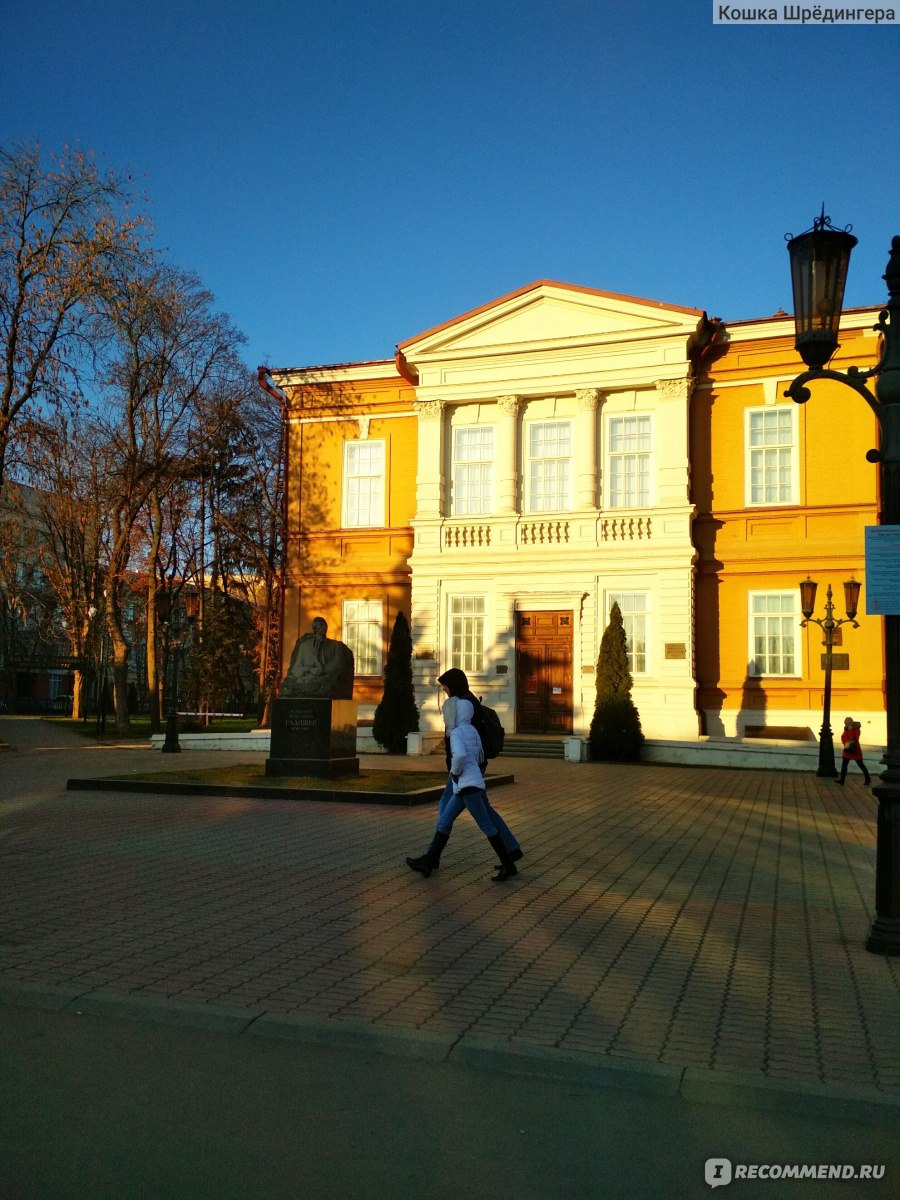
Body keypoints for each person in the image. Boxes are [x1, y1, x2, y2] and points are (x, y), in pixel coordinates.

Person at [406, 670, 521, 882]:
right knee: (476, 810)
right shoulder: (469, 705)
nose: (444, 690)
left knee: (460, 812)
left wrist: (455, 771)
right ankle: (510, 851)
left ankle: (433, 858)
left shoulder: (463, 711)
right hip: (472, 770)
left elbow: (460, 752)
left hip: (465, 773)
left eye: (445, 686)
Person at [281, 617, 354, 699]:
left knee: (325, 687)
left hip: (324, 680)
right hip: (305, 679)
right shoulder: (304, 646)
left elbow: (335, 666)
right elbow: (296, 668)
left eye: (324, 625)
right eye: (319, 625)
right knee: (290, 686)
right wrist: (309, 671)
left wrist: (319, 673)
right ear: (314, 628)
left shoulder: (336, 646)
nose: (322, 628)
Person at [838, 717, 871, 786]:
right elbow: (843, 737)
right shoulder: (846, 728)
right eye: (845, 723)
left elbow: (853, 738)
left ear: (851, 722)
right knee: (844, 765)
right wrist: (845, 743)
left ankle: (868, 779)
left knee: (861, 765)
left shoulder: (856, 729)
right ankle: (842, 780)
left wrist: (850, 731)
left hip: (855, 749)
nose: (846, 725)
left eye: (847, 723)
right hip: (847, 749)